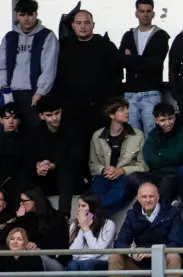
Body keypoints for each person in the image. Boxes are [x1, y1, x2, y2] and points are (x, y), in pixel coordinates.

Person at [108, 181, 183, 277]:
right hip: (141, 265)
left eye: (151, 196)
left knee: (174, 255)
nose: (148, 200)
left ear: (158, 197)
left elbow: (176, 243)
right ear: (138, 198)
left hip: (164, 265)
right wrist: (132, 252)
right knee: (115, 256)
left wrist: (154, 253)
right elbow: (120, 242)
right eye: (144, 197)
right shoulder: (132, 214)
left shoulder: (173, 213)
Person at [56, 9, 121, 149]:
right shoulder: (65, 47)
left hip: (99, 108)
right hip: (72, 109)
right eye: (78, 23)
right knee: (75, 148)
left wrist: (108, 103)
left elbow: (117, 76)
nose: (83, 26)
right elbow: (59, 77)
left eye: (86, 22)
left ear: (93, 24)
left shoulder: (106, 46)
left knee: (100, 148)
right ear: (73, 25)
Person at [0, 0, 57, 131]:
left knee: (34, 134)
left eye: (30, 14)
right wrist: (4, 88)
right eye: (22, 14)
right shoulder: (9, 37)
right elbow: (1, 66)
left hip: (35, 95)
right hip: (11, 94)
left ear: (36, 14)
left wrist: (40, 92)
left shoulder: (47, 36)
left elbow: (49, 68)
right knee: (11, 134)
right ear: (17, 16)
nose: (26, 19)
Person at [120, 0, 171, 134]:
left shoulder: (161, 36)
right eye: (142, 11)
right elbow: (122, 61)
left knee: (152, 133)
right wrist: (144, 60)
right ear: (136, 13)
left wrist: (132, 59)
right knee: (131, 136)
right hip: (130, 94)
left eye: (148, 11)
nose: (145, 14)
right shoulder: (128, 35)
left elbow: (155, 63)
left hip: (151, 93)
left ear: (153, 13)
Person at [88, 98, 148, 212]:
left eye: (127, 108)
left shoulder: (138, 135)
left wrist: (121, 170)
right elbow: (93, 164)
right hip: (104, 177)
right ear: (111, 115)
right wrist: (104, 170)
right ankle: (98, 217)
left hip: (125, 178)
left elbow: (144, 165)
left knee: (120, 189)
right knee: (96, 187)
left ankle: (93, 216)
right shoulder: (97, 136)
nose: (127, 112)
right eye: (122, 110)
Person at [143, 102, 183, 230]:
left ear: (175, 117)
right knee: (133, 177)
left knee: (179, 173)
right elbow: (149, 158)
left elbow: (179, 155)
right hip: (161, 174)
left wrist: (161, 155)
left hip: (181, 173)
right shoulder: (153, 135)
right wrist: (169, 159)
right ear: (156, 121)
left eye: (170, 118)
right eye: (163, 120)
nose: (167, 123)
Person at [65, 194, 115, 277]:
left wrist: (87, 229)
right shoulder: (74, 225)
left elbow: (98, 251)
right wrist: (82, 229)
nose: (79, 209)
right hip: (81, 263)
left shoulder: (108, 224)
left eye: (83, 205)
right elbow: (73, 252)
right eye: (79, 206)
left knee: (86, 264)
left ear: (92, 207)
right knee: (71, 265)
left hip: (102, 263)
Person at [28, 96, 79, 211]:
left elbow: (76, 158)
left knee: (66, 171)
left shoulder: (72, 130)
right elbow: (29, 157)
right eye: (49, 115)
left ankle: (64, 216)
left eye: (57, 113)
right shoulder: (36, 134)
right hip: (47, 178)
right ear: (42, 116)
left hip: (69, 178)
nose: (55, 118)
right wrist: (38, 166)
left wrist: (53, 165)